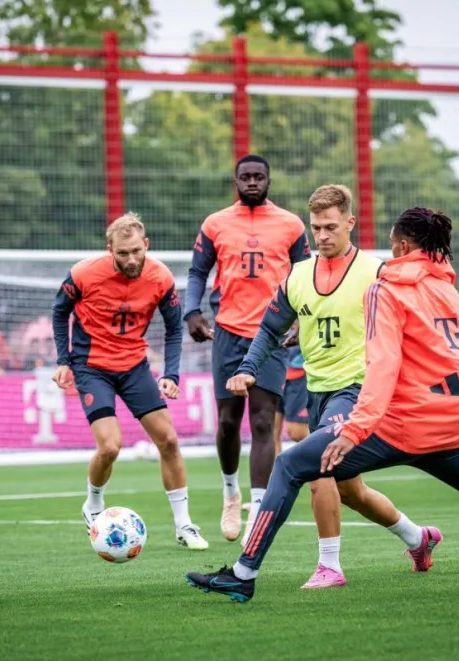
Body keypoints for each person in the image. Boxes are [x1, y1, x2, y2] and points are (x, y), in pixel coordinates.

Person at [185, 207, 459, 603]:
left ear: (404, 246)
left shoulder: (384, 289)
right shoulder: (447, 289)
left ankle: (244, 574)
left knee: (292, 465)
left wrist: (354, 431)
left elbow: (382, 368)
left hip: (399, 428)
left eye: (393, 241)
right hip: (452, 428)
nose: (389, 248)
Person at [225, 185, 438, 589]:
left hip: (358, 389)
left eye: (330, 227)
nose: (322, 236)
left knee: (315, 463)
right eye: (316, 228)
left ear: (350, 223)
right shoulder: (299, 274)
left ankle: (329, 567)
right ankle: (418, 537)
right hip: (318, 390)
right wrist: (249, 368)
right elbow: (271, 328)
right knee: (352, 492)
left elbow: (413, 323)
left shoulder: (376, 272)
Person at [51, 213, 208, 550]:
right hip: (91, 368)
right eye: (123, 253)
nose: (131, 258)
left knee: (168, 440)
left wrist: (170, 374)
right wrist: (64, 360)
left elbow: (175, 327)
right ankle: (93, 504)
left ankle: (184, 525)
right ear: (110, 250)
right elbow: (59, 310)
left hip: (135, 367)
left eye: (137, 250)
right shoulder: (83, 274)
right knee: (110, 447)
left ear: (146, 245)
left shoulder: (160, 277)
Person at [184, 154, 311, 544]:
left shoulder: (291, 225)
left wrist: (303, 319)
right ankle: (229, 492)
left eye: (259, 176)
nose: (252, 181)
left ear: (269, 180)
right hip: (227, 332)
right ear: (236, 181)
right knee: (227, 422)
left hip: (269, 336)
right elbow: (197, 272)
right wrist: (191, 311)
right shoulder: (216, 223)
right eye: (245, 177)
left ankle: (257, 510)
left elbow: (307, 276)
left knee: (262, 421)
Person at [273, 323, 310, 456]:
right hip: (274, 373)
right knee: (269, 431)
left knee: (297, 432)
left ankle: (326, 466)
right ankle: (275, 476)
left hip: (299, 376)